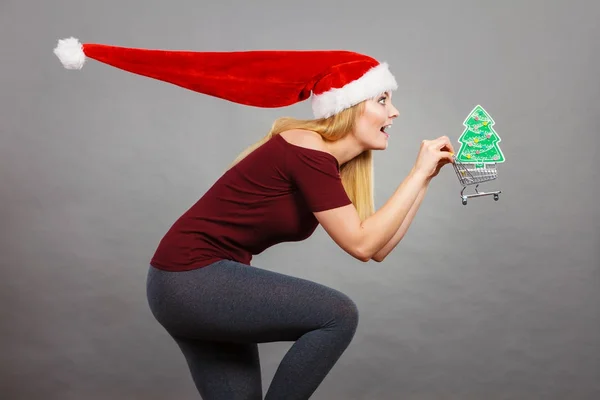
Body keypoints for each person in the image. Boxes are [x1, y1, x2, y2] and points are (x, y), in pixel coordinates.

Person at [54, 37, 456, 399]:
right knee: (338, 314)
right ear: (349, 107)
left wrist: (424, 180)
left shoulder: (326, 162)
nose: (396, 111)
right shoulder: (307, 149)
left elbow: (378, 248)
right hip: (193, 279)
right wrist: (416, 172)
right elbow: (362, 243)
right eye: (382, 100)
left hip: (184, 284)